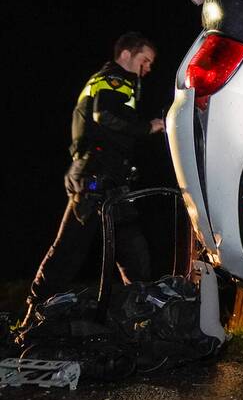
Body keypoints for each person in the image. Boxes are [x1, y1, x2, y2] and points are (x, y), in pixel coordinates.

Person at [22, 32, 165, 326]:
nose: (148, 68)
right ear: (126, 55)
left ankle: (144, 321)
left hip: (112, 182)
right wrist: (148, 126)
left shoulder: (113, 81)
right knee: (68, 252)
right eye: (144, 60)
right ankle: (33, 317)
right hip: (96, 182)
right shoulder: (114, 79)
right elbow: (106, 117)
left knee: (133, 253)